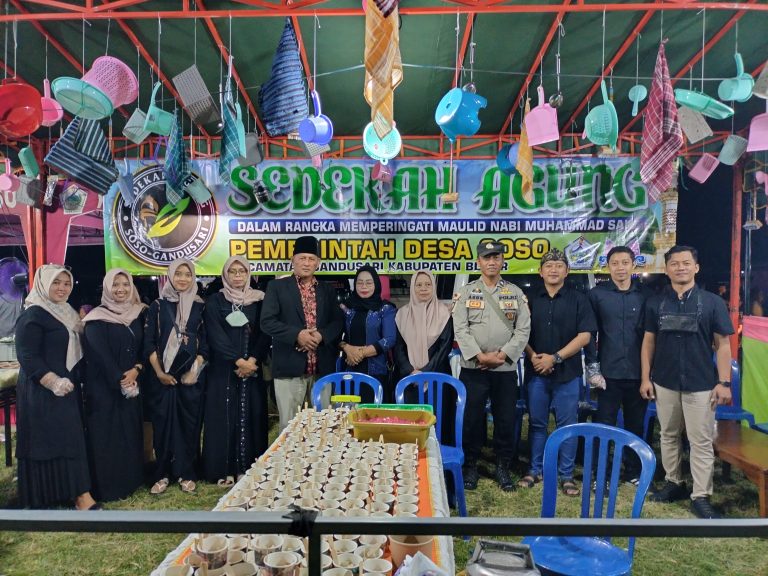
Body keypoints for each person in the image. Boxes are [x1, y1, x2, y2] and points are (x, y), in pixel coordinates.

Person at [641, 245, 734, 519]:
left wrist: (724, 382)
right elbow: (648, 342)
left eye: (685, 263)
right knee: (668, 434)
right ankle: (674, 483)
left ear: (696, 267)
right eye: (674, 263)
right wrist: (646, 378)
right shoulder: (655, 303)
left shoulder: (713, 303)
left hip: (701, 383)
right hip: (664, 381)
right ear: (667, 269)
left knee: (700, 440)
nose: (680, 267)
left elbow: (723, 345)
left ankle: (701, 496)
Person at [14, 265, 98, 510]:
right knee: (46, 441)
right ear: (43, 284)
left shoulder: (67, 312)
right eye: (56, 282)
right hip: (41, 391)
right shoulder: (33, 314)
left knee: (70, 438)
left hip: (67, 389)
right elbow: (27, 355)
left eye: (67, 283)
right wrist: (52, 381)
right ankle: (51, 496)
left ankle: (78, 494)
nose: (62, 288)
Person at [452, 240, 531, 492]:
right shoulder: (466, 292)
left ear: (502, 261)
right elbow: (460, 328)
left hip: (504, 369)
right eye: (487, 257)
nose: (492, 262)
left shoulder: (515, 293)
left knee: (505, 419)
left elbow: (523, 329)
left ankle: (502, 465)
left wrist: (503, 355)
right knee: (471, 419)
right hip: (473, 368)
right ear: (479, 262)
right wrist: (480, 356)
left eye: (496, 257)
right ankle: (470, 465)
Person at [520, 248, 596, 496]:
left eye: (559, 265)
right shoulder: (529, 299)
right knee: (537, 423)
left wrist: (555, 358)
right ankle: (535, 469)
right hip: (536, 372)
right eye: (549, 266)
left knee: (567, 425)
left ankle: (566, 475)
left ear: (567, 271)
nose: (553, 269)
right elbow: (520, 333)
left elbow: (585, 336)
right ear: (540, 271)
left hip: (567, 374)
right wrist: (533, 356)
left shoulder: (579, 299)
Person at [261, 236, 344, 430]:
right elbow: (267, 322)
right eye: (302, 258)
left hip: (321, 371)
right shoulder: (277, 287)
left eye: (311, 259)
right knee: (290, 428)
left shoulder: (327, 290)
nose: (307, 263)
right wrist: (297, 335)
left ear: (318, 262)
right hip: (289, 369)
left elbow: (337, 322)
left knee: (323, 427)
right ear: (293, 260)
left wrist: (321, 336)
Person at [202, 256, 271, 485]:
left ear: (249, 274)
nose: (238, 275)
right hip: (223, 370)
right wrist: (238, 361)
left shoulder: (260, 300)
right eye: (233, 271)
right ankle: (224, 469)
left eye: (242, 271)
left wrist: (252, 361)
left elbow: (265, 332)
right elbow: (215, 334)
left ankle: (248, 467)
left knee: (252, 415)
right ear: (225, 275)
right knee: (223, 416)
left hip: (253, 370)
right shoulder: (215, 301)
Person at [144, 258, 208, 495]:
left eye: (187, 274)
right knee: (163, 426)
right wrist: (160, 373)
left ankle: (186, 473)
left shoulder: (200, 306)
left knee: (188, 426)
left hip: (190, 380)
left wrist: (194, 372)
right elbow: (149, 343)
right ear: (170, 276)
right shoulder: (158, 306)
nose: (183, 278)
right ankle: (162, 473)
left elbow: (206, 344)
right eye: (178, 274)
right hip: (162, 380)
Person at [82, 269, 146, 502]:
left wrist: (136, 369)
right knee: (107, 435)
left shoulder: (139, 314)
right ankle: (109, 488)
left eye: (125, 284)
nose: (121, 289)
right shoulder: (95, 319)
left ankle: (131, 481)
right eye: (116, 285)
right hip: (104, 389)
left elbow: (144, 348)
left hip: (132, 385)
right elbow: (100, 354)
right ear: (107, 288)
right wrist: (120, 378)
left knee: (129, 431)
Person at [585, 246, 648, 485]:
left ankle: (633, 470)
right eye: (615, 263)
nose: (620, 268)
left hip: (638, 373)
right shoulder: (597, 295)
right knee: (604, 425)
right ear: (607, 266)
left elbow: (651, 337)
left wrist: (649, 374)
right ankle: (601, 472)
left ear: (633, 265)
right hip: (608, 374)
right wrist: (593, 368)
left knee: (635, 424)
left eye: (625, 262)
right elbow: (589, 333)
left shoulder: (645, 295)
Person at [393, 270, 455, 439]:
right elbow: (398, 347)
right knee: (409, 424)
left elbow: (444, 347)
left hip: (437, 377)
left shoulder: (444, 314)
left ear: (433, 287)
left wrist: (424, 372)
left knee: (436, 422)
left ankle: (437, 454)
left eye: (428, 284)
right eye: (418, 285)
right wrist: (410, 370)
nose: (423, 288)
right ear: (412, 288)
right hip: (408, 378)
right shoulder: (402, 314)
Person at [340, 265, 397, 403]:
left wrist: (359, 353)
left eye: (369, 282)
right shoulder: (346, 308)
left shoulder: (385, 308)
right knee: (350, 413)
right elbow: (336, 335)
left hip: (376, 372)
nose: (364, 286)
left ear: (376, 285)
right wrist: (346, 348)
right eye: (360, 283)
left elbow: (389, 339)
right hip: (349, 372)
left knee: (374, 414)